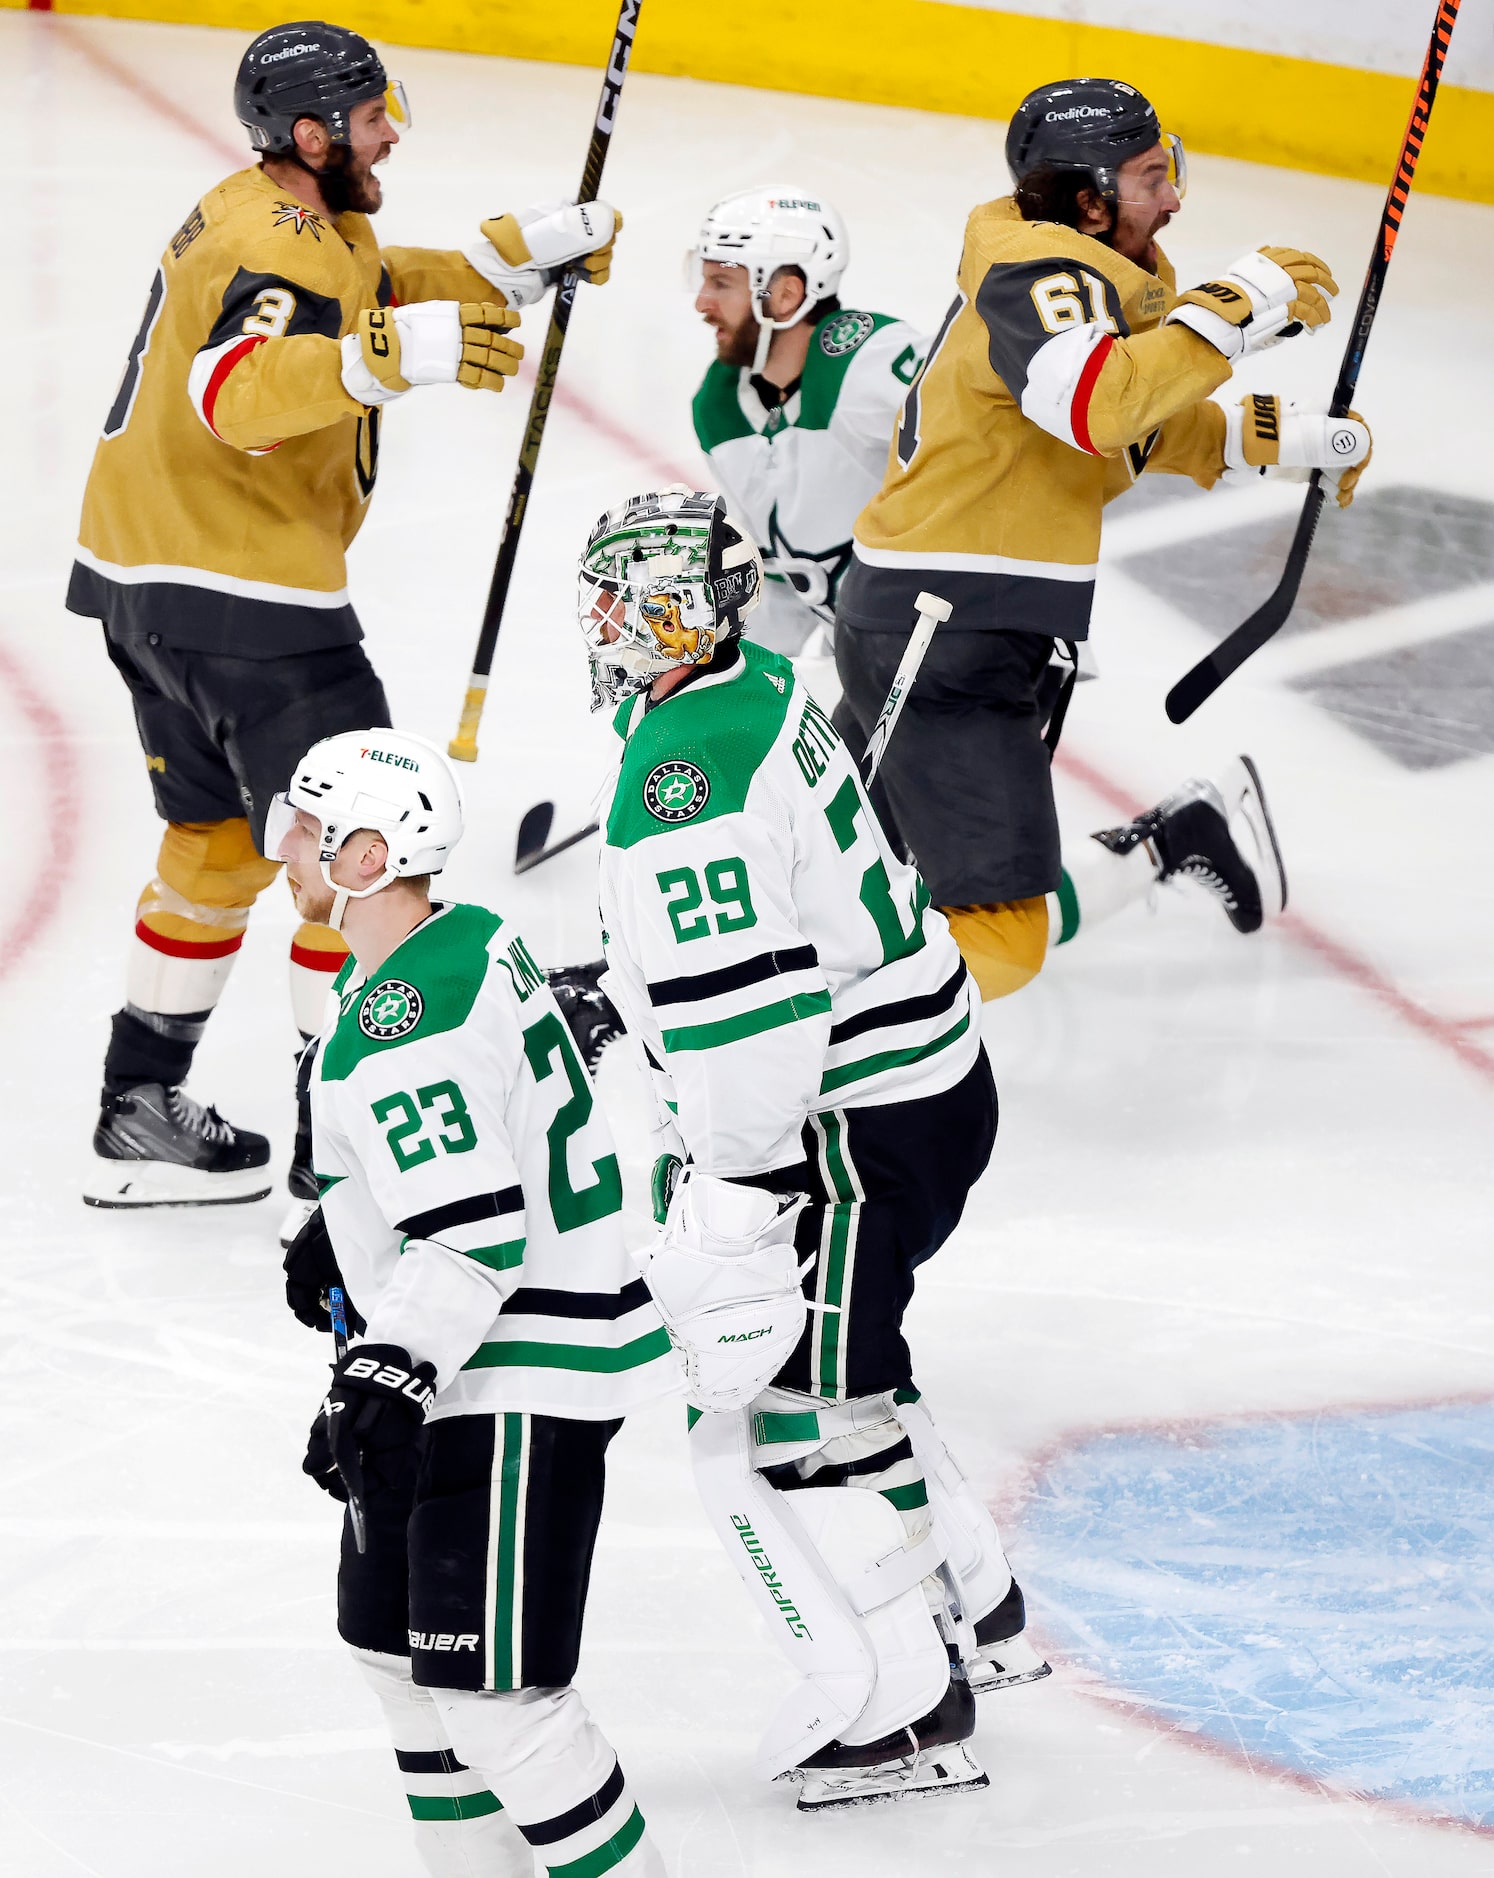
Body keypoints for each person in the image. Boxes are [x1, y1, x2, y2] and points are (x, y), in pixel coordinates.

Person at [69, 20, 620, 1217]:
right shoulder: (286, 251)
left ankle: (136, 1109)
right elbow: (237, 393)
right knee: (365, 859)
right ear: (313, 135)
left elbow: (353, 286)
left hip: (145, 585)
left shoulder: (266, 210)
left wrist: (492, 267)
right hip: (250, 603)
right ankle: (352, 1145)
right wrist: (389, 354)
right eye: (374, 118)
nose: (391, 134)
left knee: (219, 849)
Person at [577, 488, 1049, 1813]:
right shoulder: (754, 686)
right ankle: (982, 1607)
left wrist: (732, 1197)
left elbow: (756, 1025)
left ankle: (905, 1705)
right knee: (858, 1371)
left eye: (627, 598)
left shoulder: (685, 788)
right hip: (924, 1081)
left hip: (843, 1126)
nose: (607, 622)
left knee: (791, 1407)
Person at [836, 77, 1373, 1001]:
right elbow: (1099, 403)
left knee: (852, 868)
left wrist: (1289, 444)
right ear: (1088, 200)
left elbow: (1134, 425)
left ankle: (745, 1017)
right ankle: (783, 1050)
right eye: (1151, 176)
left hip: (947, 624)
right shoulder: (1038, 276)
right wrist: (1232, 307)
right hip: (944, 632)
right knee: (999, 938)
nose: (1172, 198)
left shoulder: (1067, 285)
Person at [273, 727, 673, 1878]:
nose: (284, 851)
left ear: (364, 856)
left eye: (307, 829)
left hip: (507, 1375)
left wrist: (387, 1375)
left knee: (499, 1700)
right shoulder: (470, 940)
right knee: (393, 1651)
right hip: (483, 1348)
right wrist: (343, 1230)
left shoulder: (402, 1026)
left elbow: (472, 1230)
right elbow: (475, 1144)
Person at [689, 185, 924, 656]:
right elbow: (782, 575)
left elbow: (992, 464)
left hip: (960, 649)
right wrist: (727, 676)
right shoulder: (720, 405)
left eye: (721, 283)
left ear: (786, 294)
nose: (701, 303)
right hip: (873, 665)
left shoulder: (870, 359)